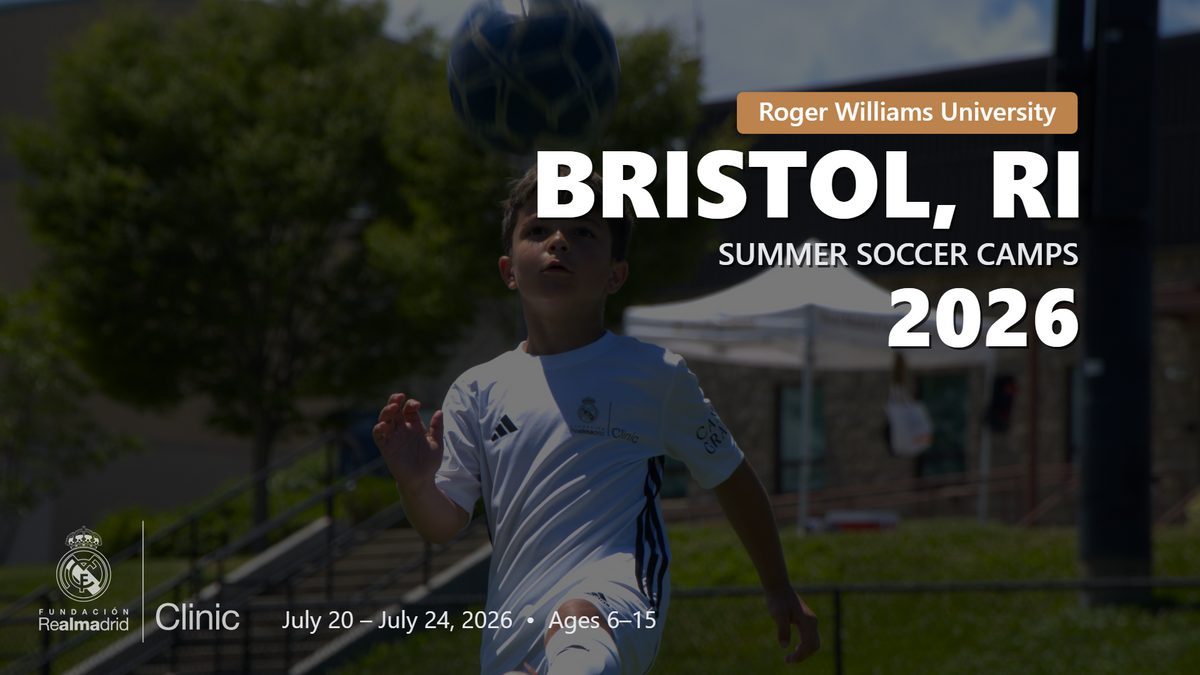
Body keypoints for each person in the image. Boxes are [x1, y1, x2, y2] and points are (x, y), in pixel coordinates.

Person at [374, 165, 819, 675]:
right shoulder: (476, 391)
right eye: (538, 230)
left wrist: (778, 585)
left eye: (583, 231)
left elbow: (731, 475)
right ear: (508, 270)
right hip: (512, 637)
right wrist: (414, 484)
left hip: (620, 600)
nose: (558, 241)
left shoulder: (655, 375)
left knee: (578, 625)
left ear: (615, 274)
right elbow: (442, 522)